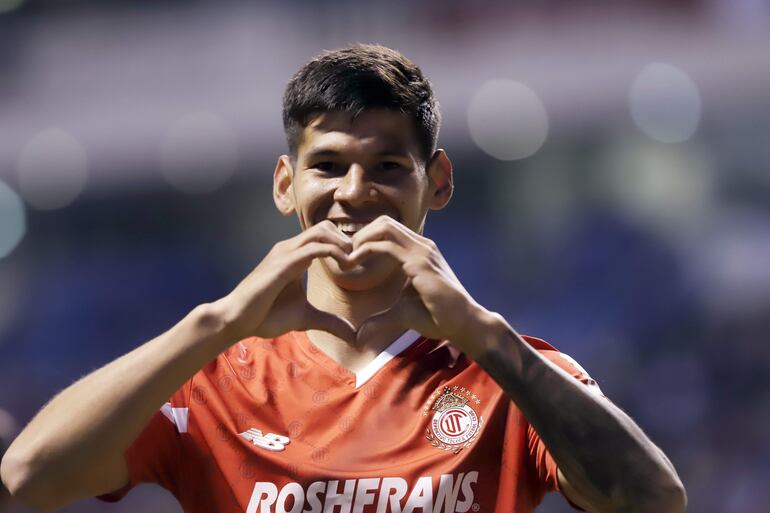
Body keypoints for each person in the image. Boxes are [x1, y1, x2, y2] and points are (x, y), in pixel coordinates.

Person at [0, 44, 685, 513]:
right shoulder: (212, 374)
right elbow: (29, 477)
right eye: (327, 165)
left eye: (388, 166)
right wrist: (215, 323)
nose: (354, 192)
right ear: (284, 183)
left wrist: (481, 332)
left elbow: (651, 498)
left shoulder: (509, 370)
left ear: (437, 182)